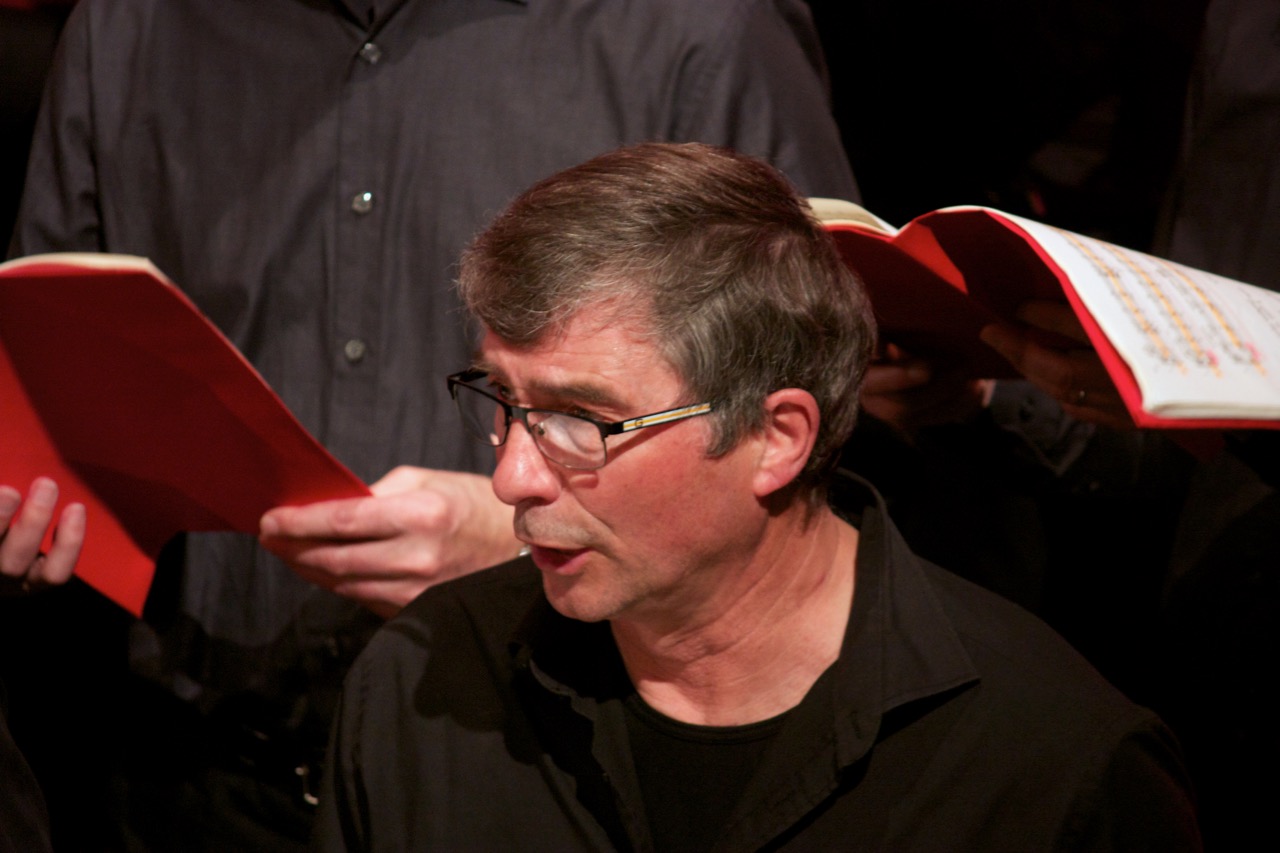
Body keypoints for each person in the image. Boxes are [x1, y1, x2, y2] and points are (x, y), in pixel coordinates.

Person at [3, 0, 858, 848]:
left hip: (537, 761)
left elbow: (811, 425)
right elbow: (49, 367)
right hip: (188, 766)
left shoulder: (697, 28)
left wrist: (522, 550)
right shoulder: (129, 28)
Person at [316, 143, 1201, 851]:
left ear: (777, 439)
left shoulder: (1051, 764)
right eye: (505, 401)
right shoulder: (421, 681)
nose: (512, 476)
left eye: (581, 419)